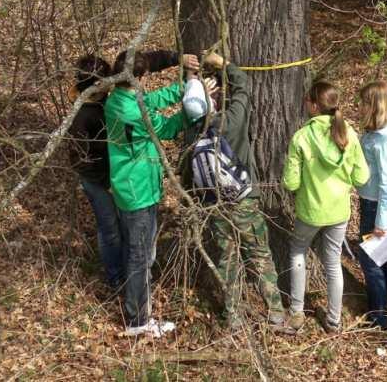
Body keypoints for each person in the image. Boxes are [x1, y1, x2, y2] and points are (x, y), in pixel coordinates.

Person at [181, 52, 286, 330]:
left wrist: (191, 79)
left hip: (214, 204)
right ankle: (275, 312)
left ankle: (234, 316)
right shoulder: (232, 120)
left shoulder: (192, 132)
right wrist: (224, 64)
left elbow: (191, 107)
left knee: (228, 260)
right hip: (243, 200)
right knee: (259, 254)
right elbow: (244, 88)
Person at [104, 49, 200, 336]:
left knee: (139, 251)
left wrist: (185, 87)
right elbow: (168, 128)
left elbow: (150, 100)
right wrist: (194, 104)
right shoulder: (134, 111)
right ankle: (138, 321)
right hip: (139, 192)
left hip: (129, 188)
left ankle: (134, 305)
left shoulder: (116, 98)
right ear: (140, 78)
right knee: (140, 256)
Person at [283, 81, 370, 333]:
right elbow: (362, 178)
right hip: (338, 212)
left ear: (313, 105)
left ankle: (297, 312)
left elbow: (290, 183)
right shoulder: (349, 134)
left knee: (298, 251)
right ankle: (334, 319)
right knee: (332, 263)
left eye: (306, 101)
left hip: (310, 211)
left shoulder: (301, 137)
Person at [68, 55, 124, 289]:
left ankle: (123, 264)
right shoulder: (83, 116)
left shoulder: (101, 103)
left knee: (118, 222)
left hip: (109, 174)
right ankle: (115, 276)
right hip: (96, 179)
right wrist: (104, 181)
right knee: (109, 226)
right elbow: (80, 158)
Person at [355, 81, 387, 329]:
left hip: (376, 206)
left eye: (365, 102)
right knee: (385, 254)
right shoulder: (379, 132)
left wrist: (381, 222)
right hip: (375, 202)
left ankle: (378, 315)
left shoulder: (385, 139)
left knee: (370, 259)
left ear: (376, 106)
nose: (360, 106)